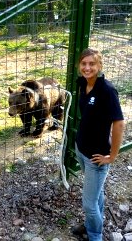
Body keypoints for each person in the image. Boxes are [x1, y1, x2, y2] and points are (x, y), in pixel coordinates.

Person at [71, 48, 125, 241]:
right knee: (96, 194)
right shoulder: (83, 84)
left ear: (99, 66)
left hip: (97, 157)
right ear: (79, 66)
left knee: (88, 203)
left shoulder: (107, 91)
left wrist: (112, 156)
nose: (87, 67)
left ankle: (95, 235)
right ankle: (90, 225)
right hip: (82, 149)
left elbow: (119, 123)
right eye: (84, 64)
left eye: (92, 64)